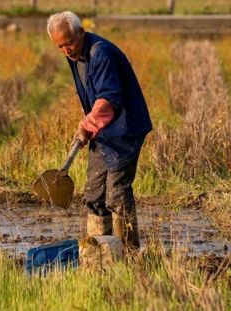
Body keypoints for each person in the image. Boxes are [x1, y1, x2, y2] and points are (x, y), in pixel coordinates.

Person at [47, 11, 152, 249]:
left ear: (81, 32)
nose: (66, 50)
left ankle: (128, 251)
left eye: (69, 43)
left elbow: (109, 99)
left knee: (116, 194)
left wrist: (87, 125)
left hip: (125, 129)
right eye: (60, 46)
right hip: (103, 130)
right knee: (94, 195)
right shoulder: (75, 55)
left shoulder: (101, 53)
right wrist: (89, 124)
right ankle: (98, 253)